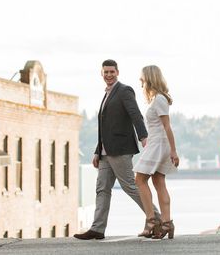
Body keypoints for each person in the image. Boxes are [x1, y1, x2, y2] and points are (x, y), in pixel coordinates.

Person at [74, 59, 160, 240]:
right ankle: (97, 229)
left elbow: (135, 114)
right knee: (102, 188)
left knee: (130, 186)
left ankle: (158, 220)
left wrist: (143, 136)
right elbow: (104, 127)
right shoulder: (106, 94)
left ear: (117, 72)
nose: (109, 75)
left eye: (112, 72)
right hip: (105, 152)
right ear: (101, 74)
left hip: (120, 149)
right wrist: (98, 151)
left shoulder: (124, 91)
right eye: (106, 72)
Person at [133, 65, 179, 239]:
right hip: (156, 142)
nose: (140, 81)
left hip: (159, 144)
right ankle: (167, 223)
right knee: (158, 181)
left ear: (150, 78)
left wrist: (173, 151)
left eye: (142, 78)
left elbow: (167, 126)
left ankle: (152, 219)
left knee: (140, 178)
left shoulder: (159, 99)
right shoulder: (157, 99)